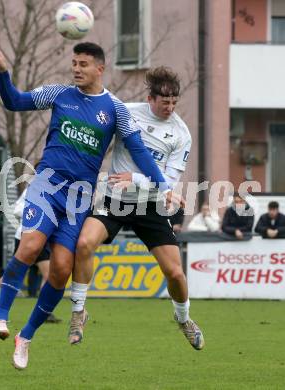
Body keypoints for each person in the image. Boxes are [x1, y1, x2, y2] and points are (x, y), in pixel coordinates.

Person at [0, 43, 182, 369]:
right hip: (47, 185)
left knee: (60, 270)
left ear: (99, 68)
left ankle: (25, 337)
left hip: (79, 199)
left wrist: (163, 186)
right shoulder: (58, 93)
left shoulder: (116, 109)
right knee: (31, 245)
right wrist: (3, 71)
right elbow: (14, 101)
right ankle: (0, 318)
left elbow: (140, 152)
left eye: (83, 64)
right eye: (74, 63)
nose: (76, 69)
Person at [68, 66, 204, 351]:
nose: (170, 108)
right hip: (114, 200)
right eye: (164, 102)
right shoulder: (126, 112)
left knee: (175, 273)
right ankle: (79, 311)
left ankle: (184, 319)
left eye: (174, 103)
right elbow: (96, 129)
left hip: (150, 206)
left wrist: (136, 179)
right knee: (83, 244)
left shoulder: (181, 134)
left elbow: (168, 182)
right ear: (150, 98)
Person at [0, 189, 61, 324]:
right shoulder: (34, 187)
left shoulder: (59, 187)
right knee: (12, 275)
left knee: (49, 275)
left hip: (44, 238)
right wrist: (37, 213)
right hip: (26, 237)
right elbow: (17, 209)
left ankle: (44, 312)